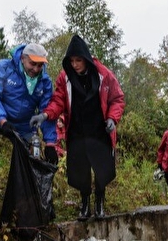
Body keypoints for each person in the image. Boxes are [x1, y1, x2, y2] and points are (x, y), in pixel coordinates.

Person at [30, 34, 125, 220]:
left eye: (78, 60)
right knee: (80, 170)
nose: (75, 65)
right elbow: (58, 101)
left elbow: (117, 99)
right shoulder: (65, 78)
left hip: (100, 130)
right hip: (77, 131)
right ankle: (84, 204)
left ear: (86, 59)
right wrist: (45, 115)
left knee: (101, 169)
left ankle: (99, 202)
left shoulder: (104, 74)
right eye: (72, 61)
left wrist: (113, 119)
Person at [0, 43, 58, 165]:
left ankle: (24, 183)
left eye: (40, 65)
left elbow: (46, 111)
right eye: (32, 64)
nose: (36, 69)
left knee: (33, 153)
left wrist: (50, 143)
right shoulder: (4, 67)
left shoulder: (44, 81)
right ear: (23, 58)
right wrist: (2, 121)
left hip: (23, 123)